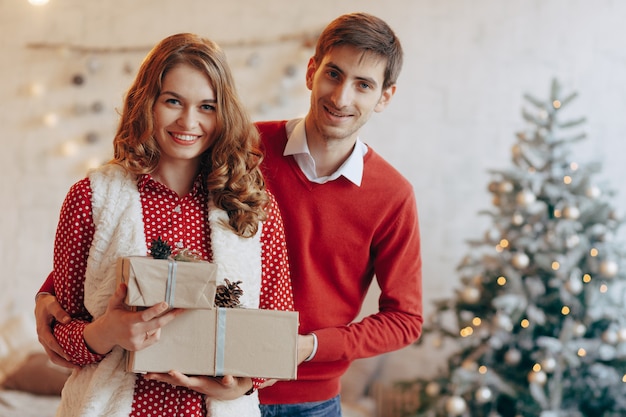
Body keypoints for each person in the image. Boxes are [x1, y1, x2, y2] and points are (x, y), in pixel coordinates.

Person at [36, 12, 423, 417]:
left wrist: (301, 348)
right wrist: (49, 297)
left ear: (384, 96)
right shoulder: (234, 149)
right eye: (334, 75)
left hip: (297, 392)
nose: (342, 98)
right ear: (312, 72)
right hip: (185, 387)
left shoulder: (392, 195)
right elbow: (112, 242)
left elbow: (405, 318)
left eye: (363, 85)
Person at [38, 32, 296, 417]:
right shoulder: (92, 199)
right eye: (173, 101)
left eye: (207, 106)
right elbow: (62, 335)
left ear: (223, 114)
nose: (189, 121)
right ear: (148, 103)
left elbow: (275, 334)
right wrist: (108, 330)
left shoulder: (253, 207)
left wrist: (242, 383)